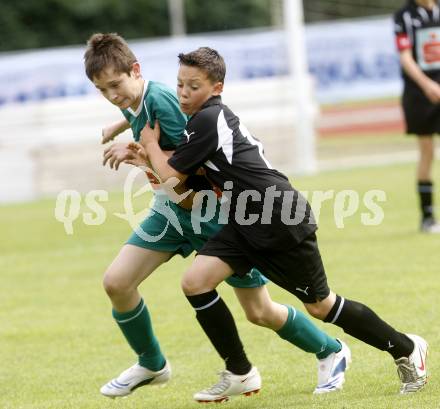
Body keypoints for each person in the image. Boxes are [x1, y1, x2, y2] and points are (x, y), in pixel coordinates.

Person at [139, 46, 429, 398]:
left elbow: (172, 176)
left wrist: (150, 145)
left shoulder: (206, 119)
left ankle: (406, 349)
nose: (184, 93)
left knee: (321, 306)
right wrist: (144, 157)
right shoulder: (202, 121)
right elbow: (193, 178)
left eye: (194, 86)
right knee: (196, 282)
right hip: (245, 219)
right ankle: (239, 371)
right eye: (180, 84)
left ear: (217, 88)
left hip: (279, 216)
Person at [83, 33, 350, 402]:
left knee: (259, 311)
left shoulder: (162, 99)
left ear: (136, 71)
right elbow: (145, 125)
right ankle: (152, 363)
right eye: (102, 90)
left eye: (115, 85)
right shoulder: (135, 97)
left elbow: (192, 168)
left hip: (209, 213)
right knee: (117, 282)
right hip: (171, 210)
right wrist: (122, 128)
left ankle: (329, 349)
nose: (113, 96)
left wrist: (141, 153)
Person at [394, 0, 440, 233]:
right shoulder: (404, 16)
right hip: (419, 94)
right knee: (427, 151)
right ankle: (428, 218)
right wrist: (427, 85)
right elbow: (405, 56)